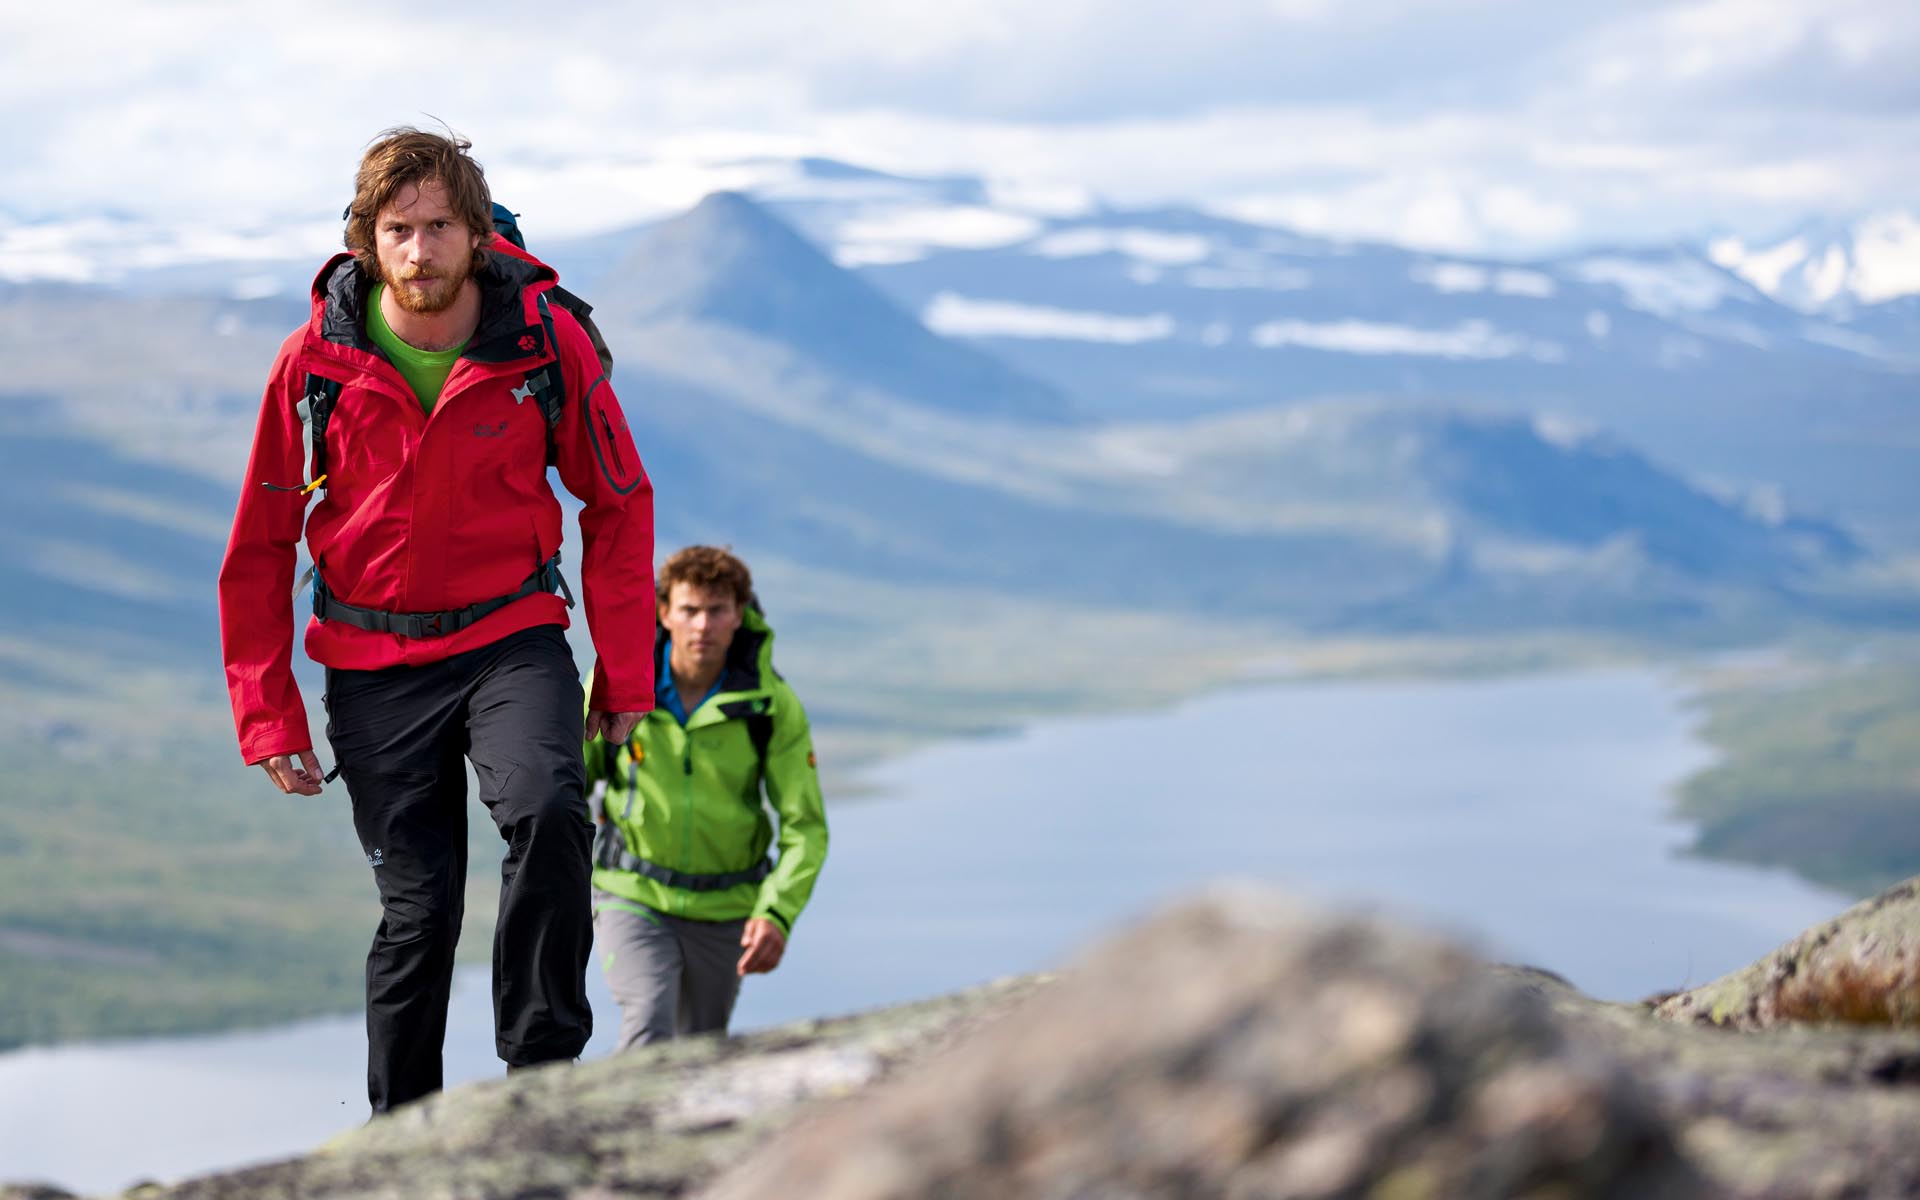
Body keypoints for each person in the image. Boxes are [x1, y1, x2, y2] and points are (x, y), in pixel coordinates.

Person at [217, 128, 656, 1113]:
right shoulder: (314, 365)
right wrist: (268, 714)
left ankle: (541, 1090)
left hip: (512, 636)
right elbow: (260, 540)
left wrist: (624, 678)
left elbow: (621, 502)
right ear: (368, 240)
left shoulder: (546, 343)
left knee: (548, 815)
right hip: (373, 660)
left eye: (440, 227)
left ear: (476, 236)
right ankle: (402, 1136)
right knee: (419, 914)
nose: (421, 251)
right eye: (400, 229)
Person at [587, 546, 829, 1048]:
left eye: (717, 610)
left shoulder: (770, 705)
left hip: (727, 912)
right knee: (648, 1021)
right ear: (664, 613)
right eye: (689, 609)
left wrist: (776, 911)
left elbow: (804, 826)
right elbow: (563, 783)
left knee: (700, 1050)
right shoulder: (618, 687)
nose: (702, 625)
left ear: (739, 615)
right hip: (632, 895)